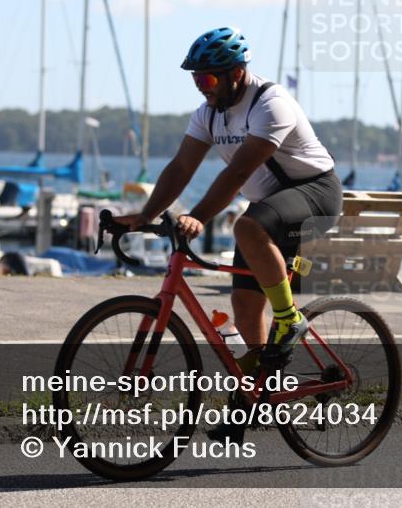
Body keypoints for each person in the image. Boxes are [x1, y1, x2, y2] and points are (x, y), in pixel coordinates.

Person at [114, 26, 341, 366]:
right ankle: (257, 395)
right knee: (245, 309)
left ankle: (290, 319)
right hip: (269, 206)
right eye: (196, 81)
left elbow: (238, 173)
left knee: (247, 227)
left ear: (235, 73)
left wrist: (199, 217)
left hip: (315, 193)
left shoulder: (271, 105)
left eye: (207, 81)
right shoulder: (208, 115)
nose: (202, 88)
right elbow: (181, 166)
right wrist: (145, 215)